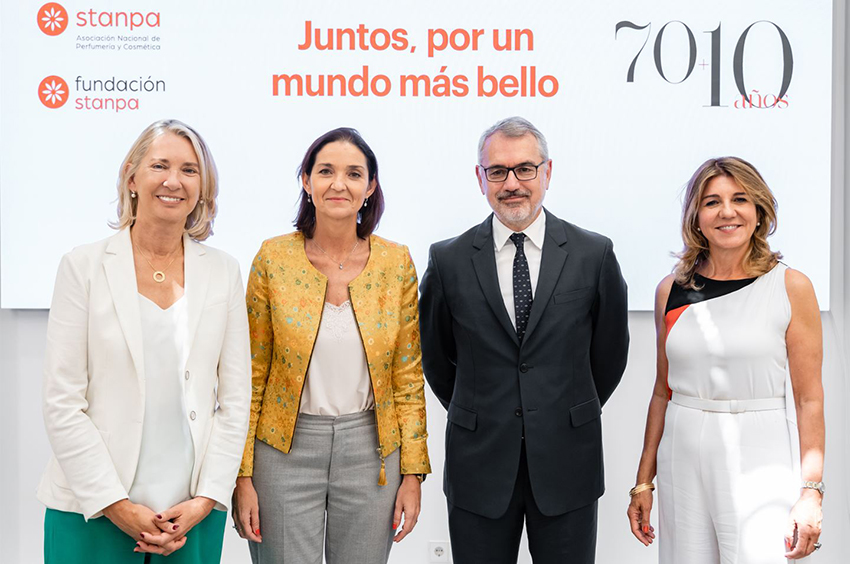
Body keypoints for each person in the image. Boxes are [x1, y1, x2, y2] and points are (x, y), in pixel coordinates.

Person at [38, 119, 251, 563]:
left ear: (202, 186)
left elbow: (235, 401)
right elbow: (62, 402)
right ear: (131, 178)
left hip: (190, 514)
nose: (174, 181)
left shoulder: (223, 272)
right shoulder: (83, 267)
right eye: (160, 165)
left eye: (190, 170)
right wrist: (116, 505)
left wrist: (207, 499)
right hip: (92, 510)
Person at [419, 116, 629, 563]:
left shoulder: (594, 254)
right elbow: (436, 359)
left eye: (525, 169)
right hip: (479, 465)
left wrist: (563, 411)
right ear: (481, 179)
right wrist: (480, 409)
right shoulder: (448, 260)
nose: (512, 183)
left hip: (567, 461)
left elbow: (609, 357)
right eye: (498, 171)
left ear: (547, 173)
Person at [231, 127, 431, 563]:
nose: (339, 184)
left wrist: (413, 473)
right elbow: (251, 374)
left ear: (370, 186)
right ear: (306, 180)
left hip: (372, 451)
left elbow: (408, 377)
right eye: (325, 171)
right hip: (283, 449)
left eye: (353, 173)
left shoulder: (396, 262)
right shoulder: (272, 258)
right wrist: (242, 474)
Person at [627, 157, 825, 563]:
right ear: (696, 217)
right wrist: (643, 482)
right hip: (682, 446)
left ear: (759, 212)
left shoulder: (791, 286)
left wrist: (811, 493)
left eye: (740, 199)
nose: (727, 212)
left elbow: (809, 400)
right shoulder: (671, 289)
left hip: (761, 445)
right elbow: (662, 392)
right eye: (712, 202)